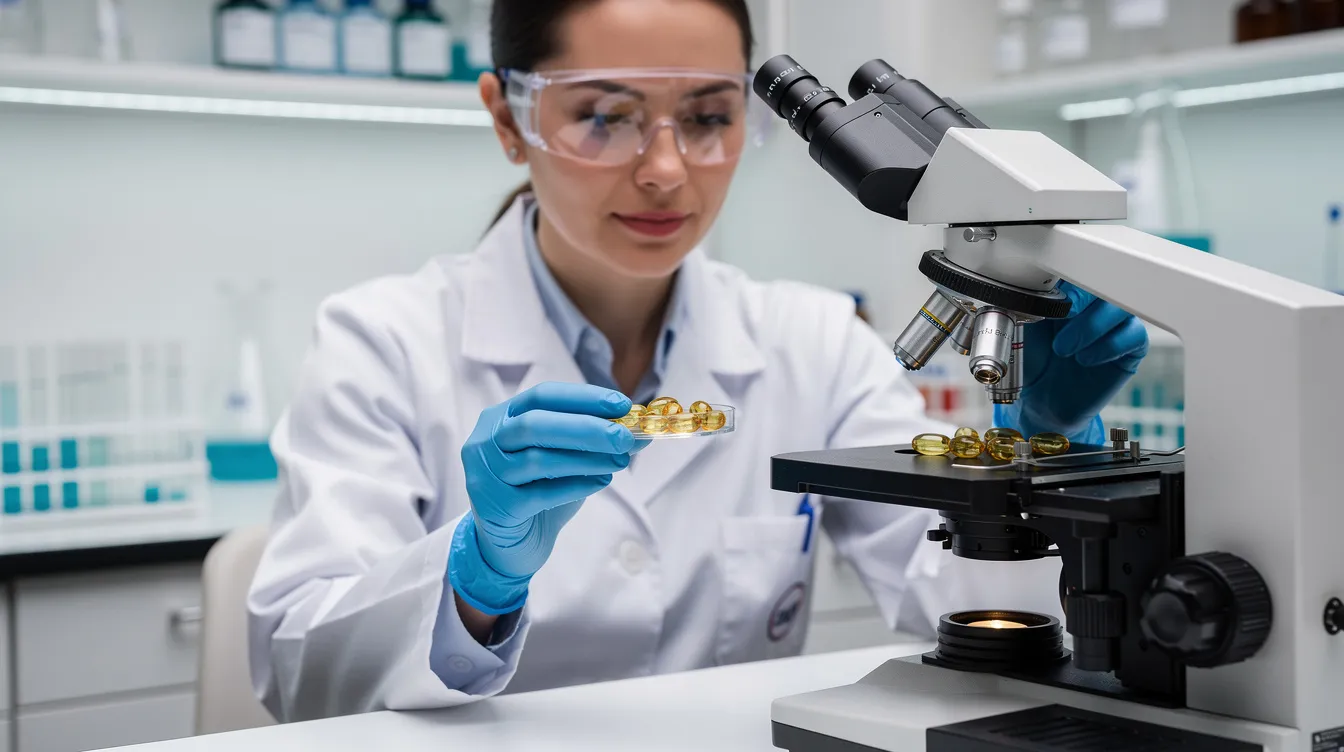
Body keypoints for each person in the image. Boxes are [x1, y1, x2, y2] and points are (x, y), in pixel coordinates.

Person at [247, 0, 1148, 723]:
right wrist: (475, 578)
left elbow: (958, 605)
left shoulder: (814, 342)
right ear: (509, 118)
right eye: (604, 116)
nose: (668, 170)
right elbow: (299, 670)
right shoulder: (384, 340)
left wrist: (1043, 457)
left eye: (711, 117)